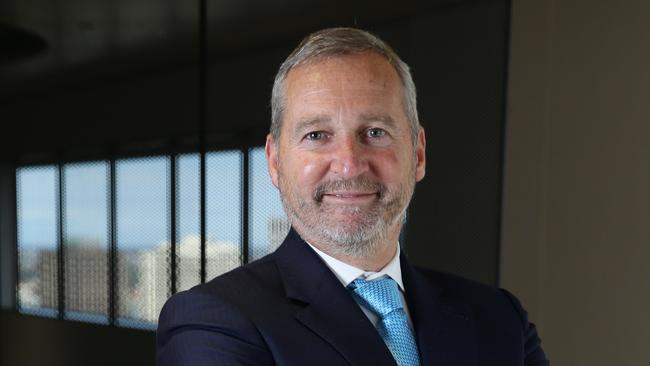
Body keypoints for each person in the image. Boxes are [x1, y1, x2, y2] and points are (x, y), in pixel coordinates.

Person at [157, 27, 549, 366]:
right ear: (275, 162)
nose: (348, 164)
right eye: (316, 135)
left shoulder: (498, 317)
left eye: (375, 132)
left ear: (418, 154)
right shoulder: (214, 323)